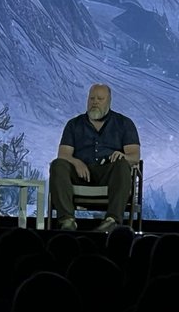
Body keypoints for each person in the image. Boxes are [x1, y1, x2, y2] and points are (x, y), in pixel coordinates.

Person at [50, 83, 140, 232]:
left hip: (108, 173)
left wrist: (124, 156)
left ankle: (112, 221)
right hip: (80, 175)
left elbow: (135, 156)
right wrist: (76, 162)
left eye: (100, 98)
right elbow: (63, 154)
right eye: (91, 98)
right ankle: (67, 221)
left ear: (109, 101)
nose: (95, 102)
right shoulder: (74, 124)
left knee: (122, 165)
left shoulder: (124, 123)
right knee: (58, 164)